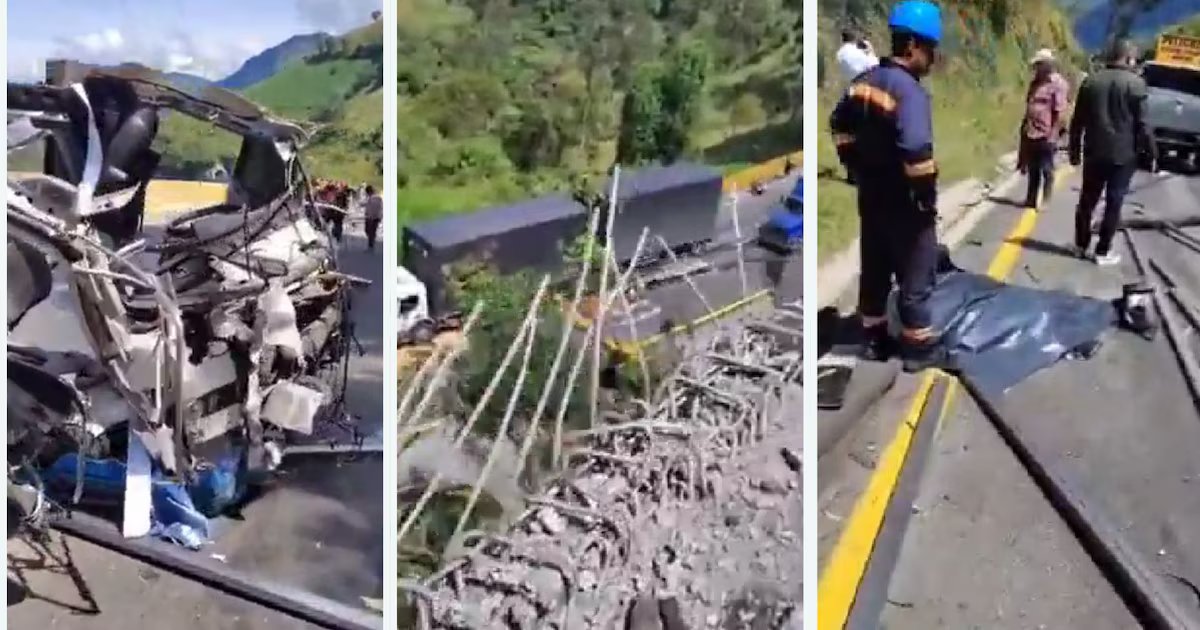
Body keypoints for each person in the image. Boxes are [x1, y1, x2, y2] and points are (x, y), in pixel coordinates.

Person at [829, 0, 943, 372]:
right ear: (911, 45)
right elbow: (915, 149)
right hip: (905, 202)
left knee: (875, 266)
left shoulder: (862, 84)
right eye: (930, 49)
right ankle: (918, 347)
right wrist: (925, 196)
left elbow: (838, 124)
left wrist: (853, 164)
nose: (933, 58)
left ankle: (874, 338)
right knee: (916, 270)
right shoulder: (908, 92)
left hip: (871, 195)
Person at [1068, 38, 1157, 267]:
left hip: (1094, 151)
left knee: (1087, 201)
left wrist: (1074, 151)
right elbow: (1143, 125)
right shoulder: (1136, 85)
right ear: (1128, 58)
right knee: (1114, 203)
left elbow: (1077, 121)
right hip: (1123, 156)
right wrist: (1152, 153)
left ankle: (1080, 245)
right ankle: (1102, 251)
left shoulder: (1091, 82)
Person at [1018, 48, 1069, 209]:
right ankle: (1031, 199)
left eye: (1041, 65)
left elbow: (1060, 111)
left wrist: (1054, 133)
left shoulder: (1058, 84)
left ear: (1048, 65)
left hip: (1047, 133)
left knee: (1047, 168)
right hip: (1031, 131)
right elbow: (1029, 105)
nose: (1038, 68)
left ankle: (1045, 200)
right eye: (1037, 65)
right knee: (1033, 169)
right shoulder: (1035, 83)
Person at [363, 184, 382, 251]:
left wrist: (368, 215)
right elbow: (380, 208)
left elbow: (371, 208)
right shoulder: (378, 197)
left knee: (369, 231)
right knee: (371, 231)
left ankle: (371, 245)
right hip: (375, 217)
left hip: (371, 217)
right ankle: (371, 243)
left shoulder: (372, 198)